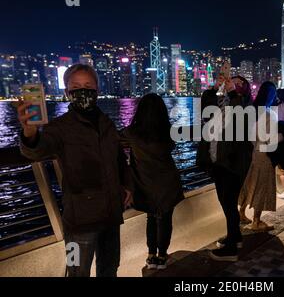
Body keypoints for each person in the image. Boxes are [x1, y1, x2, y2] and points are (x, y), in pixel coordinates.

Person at [17, 64, 132, 277]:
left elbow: (118, 158)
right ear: (67, 92)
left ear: (97, 89)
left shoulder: (106, 123)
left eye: (88, 85)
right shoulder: (59, 127)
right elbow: (38, 150)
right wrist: (29, 132)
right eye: (76, 86)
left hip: (110, 216)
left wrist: (127, 186)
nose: (83, 91)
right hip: (78, 221)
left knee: (110, 268)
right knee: (76, 270)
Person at [120, 94, 184, 270]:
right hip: (167, 183)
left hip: (145, 184)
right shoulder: (167, 132)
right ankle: (162, 256)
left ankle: (151, 255)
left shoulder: (131, 133)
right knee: (165, 219)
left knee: (150, 218)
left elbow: (115, 139)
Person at [196, 75, 253, 262]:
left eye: (237, 83)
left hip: (233, 163)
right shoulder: (222, 104)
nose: (231, 84)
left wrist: (232, 92)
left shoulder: (246, 106)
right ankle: (234, 238)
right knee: (226, 202)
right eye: (229, 81)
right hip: (219, 161)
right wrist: (214, 87)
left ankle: (230, 251)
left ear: (244, 89)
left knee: (228, 203)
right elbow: (205, 107)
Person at [239, 81, 279, 231]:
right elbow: (271, 139)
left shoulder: (251, 111)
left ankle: (241, 213)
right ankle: (256, 221)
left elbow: (248, 135)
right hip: (265, 154)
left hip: (252, 152)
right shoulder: (271, 115)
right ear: (271, 96)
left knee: (249, 184)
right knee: (261, 186)